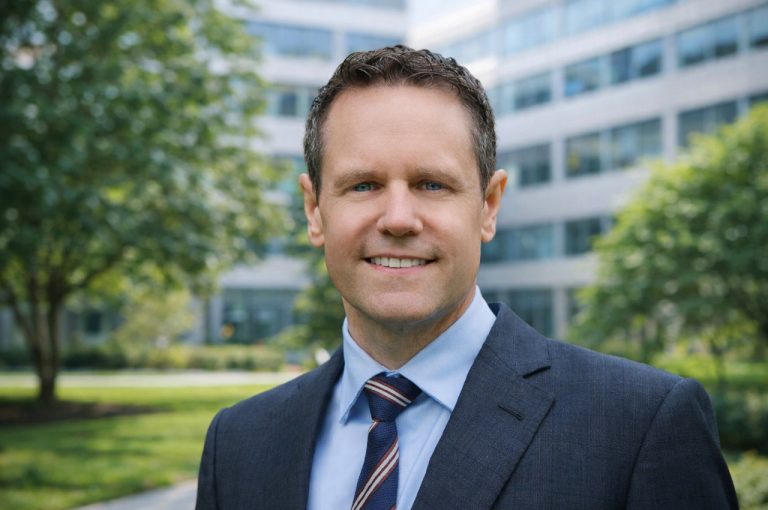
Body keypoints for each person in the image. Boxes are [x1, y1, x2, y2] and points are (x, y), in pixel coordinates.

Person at [195, 45, 738, 510]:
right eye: (363, 185)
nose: (399, 219)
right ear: (315, 211)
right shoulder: (238, 444)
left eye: (432, 184)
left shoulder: (640, 426)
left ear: (488, 206)